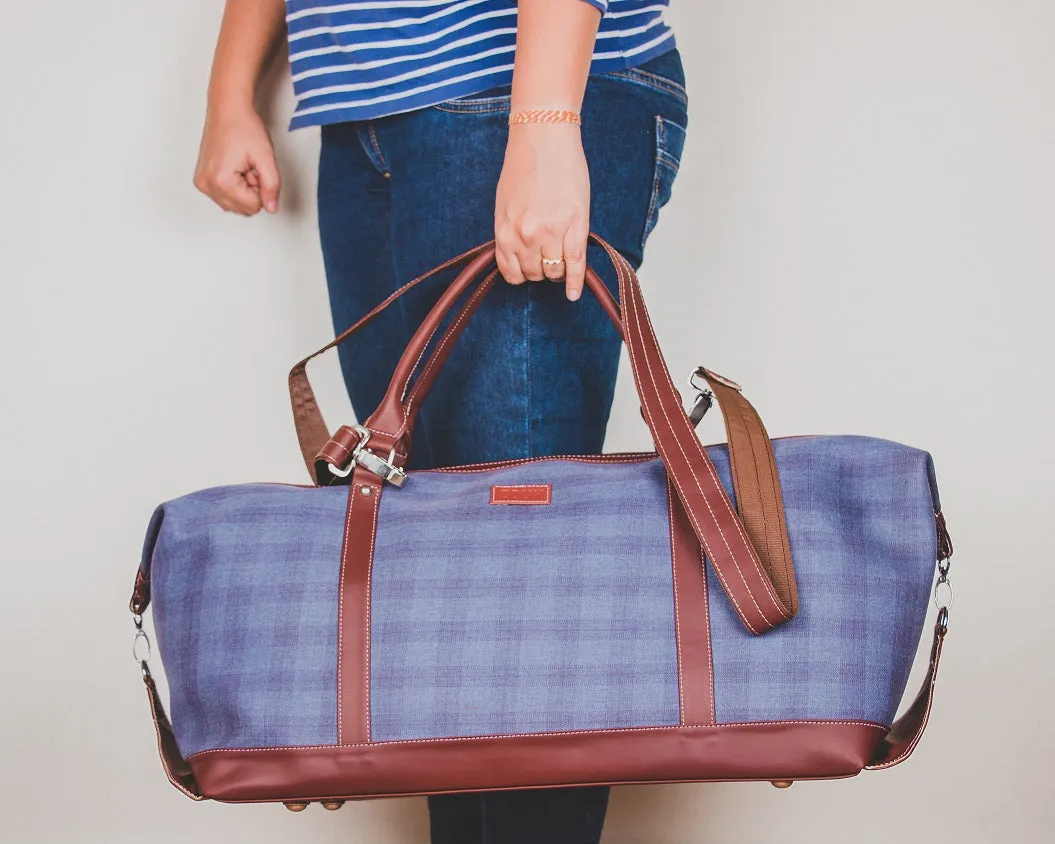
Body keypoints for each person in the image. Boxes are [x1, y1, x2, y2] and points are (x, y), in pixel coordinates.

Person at [194, 1, 687, 841]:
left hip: (510, 85)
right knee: (438, 577)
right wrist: (229, 92)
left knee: (522, 576)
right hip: (360, 118)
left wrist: (541, 120)